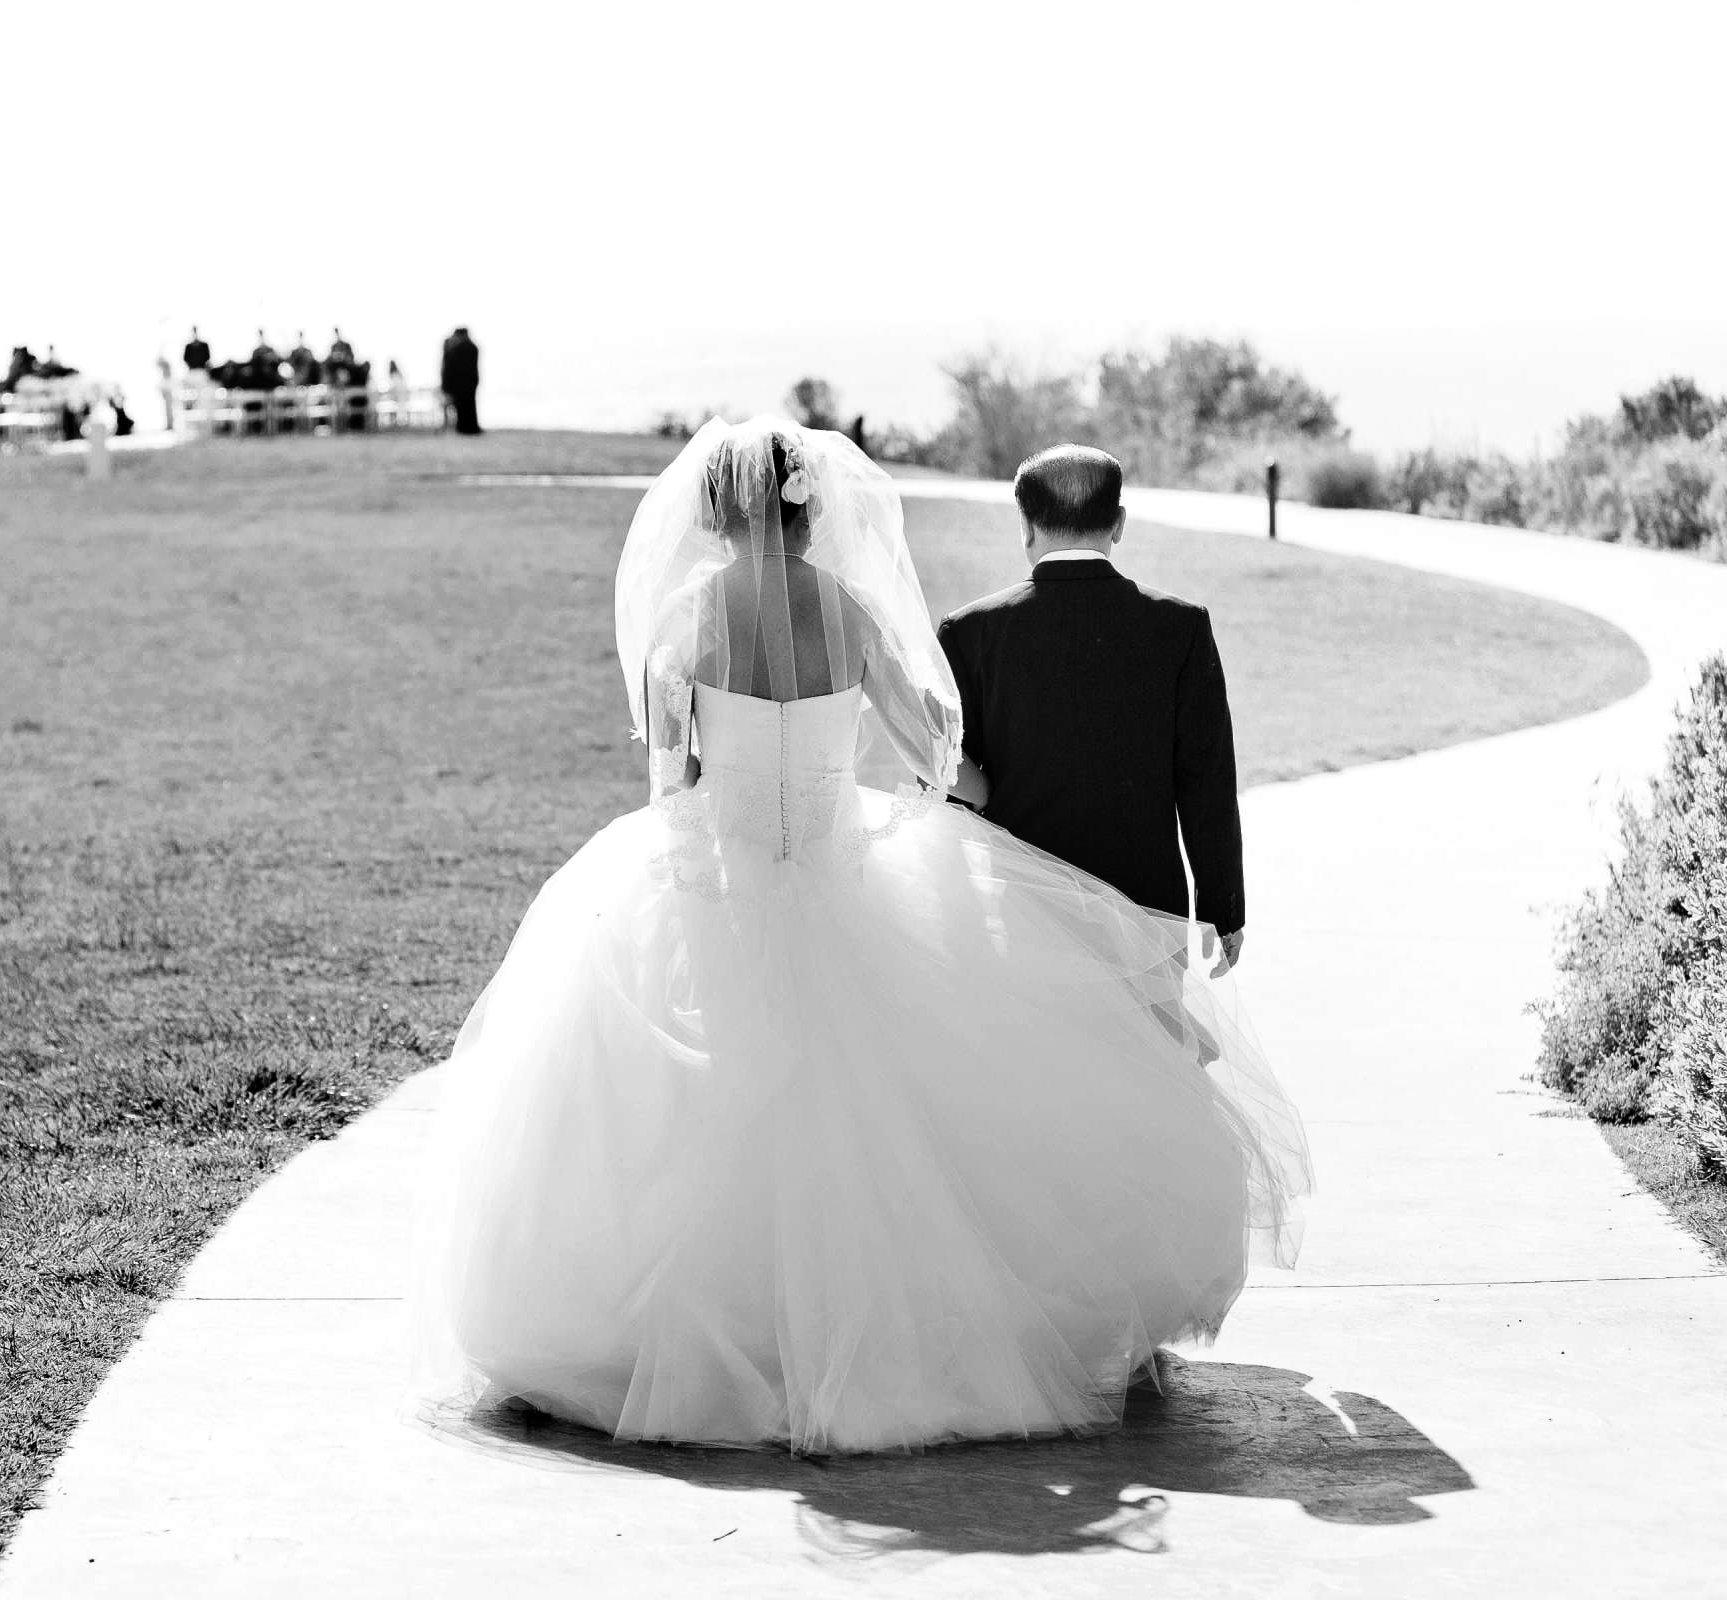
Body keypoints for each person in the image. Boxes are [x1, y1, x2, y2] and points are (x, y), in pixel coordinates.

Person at [414, 418, 1307, 1452]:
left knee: (688, 1106)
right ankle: (869, 1334)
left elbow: (671, 781)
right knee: (892, 1119)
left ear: (715, 510)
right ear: (807, 506)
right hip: (844, 878)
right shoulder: (848, 608)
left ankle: (703, 1331)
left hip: (722, 876)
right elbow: (938, 752)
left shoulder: (687, 622)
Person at [937, 445, 1246, 966]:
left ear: (1026, 526)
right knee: (1148, 1047)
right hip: (1147, 905)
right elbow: (1206, 778)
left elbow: (950, 779)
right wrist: (1223, 905)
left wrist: (955, 911)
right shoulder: (1180, 626)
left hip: (1020, 902)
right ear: (1119, 523)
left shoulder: (970, 632)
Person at [439, 326, 480, 434]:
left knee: (463, 407)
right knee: (470, 406)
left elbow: (450, 368)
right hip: (470, 382)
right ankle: (470, 427)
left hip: (460, 384)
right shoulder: (472, 347)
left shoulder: (457, 348)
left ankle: (463, 428)